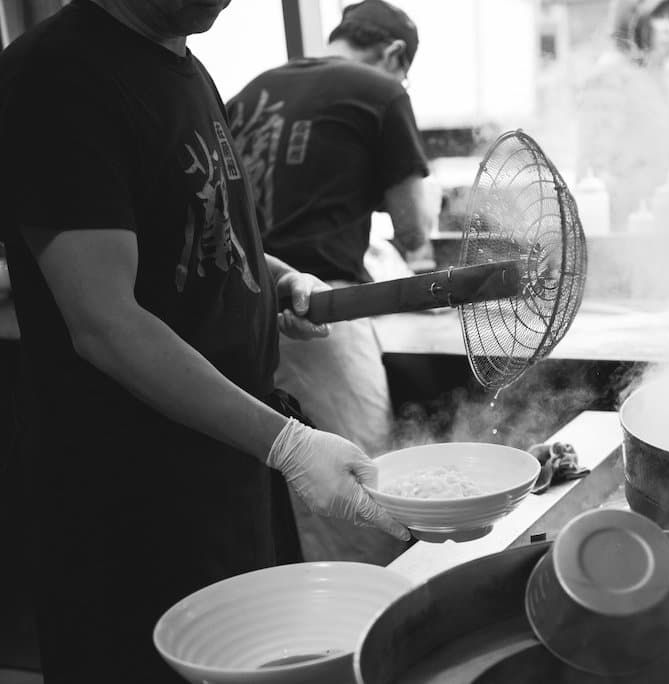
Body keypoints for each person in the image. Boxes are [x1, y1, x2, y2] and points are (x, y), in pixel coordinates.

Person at [0, 1, 409, 681]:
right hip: (131, 499)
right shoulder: (56, 76)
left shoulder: (181, 63)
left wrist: (277, 277)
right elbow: (106, 324)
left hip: (224, 472)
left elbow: (196, 225)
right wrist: (287, 442)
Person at [227, 0, 436, 565]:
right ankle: (365, 643)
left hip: (234, 316)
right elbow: (415, 228)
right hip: (316, 309)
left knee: (293, 509)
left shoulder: (251, 92)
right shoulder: (380, 88)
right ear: (394, 54)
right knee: (364, 498)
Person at [575, 0, 669, 230]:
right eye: (658, 17)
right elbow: (596, 172)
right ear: (632, 21)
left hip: (657, 221)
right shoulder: (611, 74)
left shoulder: (653, 76)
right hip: (628, 230)